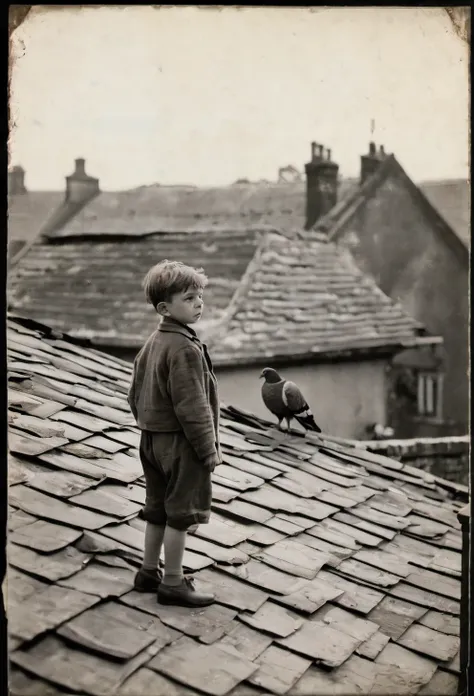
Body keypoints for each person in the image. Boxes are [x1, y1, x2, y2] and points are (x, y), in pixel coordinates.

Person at [127, 259, 221, 607]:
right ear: (164, 307)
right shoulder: (183, 348)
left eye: (200, 296)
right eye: (189, 298)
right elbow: (193, 406)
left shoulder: (153, 343)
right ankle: (173, 582)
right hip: (181, 444)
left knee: (157, 509)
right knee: (180, 514)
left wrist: (149, 427)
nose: (199, 303)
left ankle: (148, 571)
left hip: (150, 440)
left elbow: (133, 395)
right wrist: (207, 449)